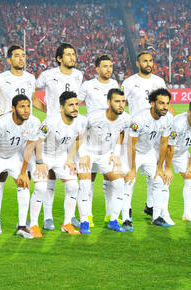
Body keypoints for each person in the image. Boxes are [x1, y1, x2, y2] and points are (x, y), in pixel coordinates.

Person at [0, 44, 37, 233]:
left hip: (24, 132)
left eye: (23, 55)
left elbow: (32, 99)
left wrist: (48, 109)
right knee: (0, 176)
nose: (21, 59)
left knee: (24, 177)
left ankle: (22, 224)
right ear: (9, 60)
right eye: (17, 56)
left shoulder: (31, 78)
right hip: (5, 131)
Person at [34, 43, 84, 230]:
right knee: (51, 174)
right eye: (68, 54)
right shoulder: (48, 75)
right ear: (59, 58)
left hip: (70, 130)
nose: (72, 57)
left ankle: (70, 218)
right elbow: (32, 92)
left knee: (72, 173)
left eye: (74, 54)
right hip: (51, 131)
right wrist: (46, 109)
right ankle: (48, 217)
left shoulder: (79, 75)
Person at [0, 94, 41, 240]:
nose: (26, 110)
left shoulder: (33, 122)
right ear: (13, 108)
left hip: (13, 156)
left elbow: (30, 147)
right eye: (22, 106)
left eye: (28, 106)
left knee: (24, 184)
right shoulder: (1, 123)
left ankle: (22, 226)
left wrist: (24, 172)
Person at [121, 51, 175, 218]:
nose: (148, 64)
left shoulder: (159, 81)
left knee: (155, 172)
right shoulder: (129, 82)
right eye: (145, 61)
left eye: (150, 61)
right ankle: (126, 210)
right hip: (136, 131)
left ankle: (151, 205)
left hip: (156, 131)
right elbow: (121, 102)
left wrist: (174, 121)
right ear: (138, 64)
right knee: (131, 174)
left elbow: (166, 104)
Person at [28, 91, 87, 237]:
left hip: (61, 156)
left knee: (74, 186)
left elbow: (79, 139)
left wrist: (70, 158)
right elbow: (37, 141)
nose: (75, 108)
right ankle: (34, 225)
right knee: (41, 187)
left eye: (76, 104)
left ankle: (67, 223)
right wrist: (40, 162)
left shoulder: (81, 121)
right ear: (61, 107)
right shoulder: (51, 122)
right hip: (42, 155)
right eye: (70, 105)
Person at [76, 88, 132, 233]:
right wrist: (82, 154)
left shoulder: (126, 118)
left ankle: (113, 220)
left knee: (120, 184)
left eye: (123, 101)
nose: (121, 104)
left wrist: (116, 154)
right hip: (87, 152)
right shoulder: (93, 117)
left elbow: (121, 132)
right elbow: (78, 133)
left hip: (106, 154)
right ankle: (84, 222)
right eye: (117, 101)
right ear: (108, 102)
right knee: (85, 185)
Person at [77, 54, 119, 227]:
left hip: (110, 138)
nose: (108, 69)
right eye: (104, 66)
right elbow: (76, 104)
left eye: (110, 66)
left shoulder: (115, 84)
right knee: (89, 179)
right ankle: (87, 216)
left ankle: (110, 216)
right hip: (91, 138)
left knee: (110, 179)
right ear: (97, 68)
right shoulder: (88, 85)